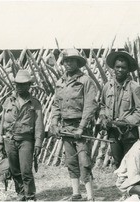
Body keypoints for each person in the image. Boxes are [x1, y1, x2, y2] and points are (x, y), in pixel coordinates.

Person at [50, 49, 98, 201]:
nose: (68, 63)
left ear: (78, 62)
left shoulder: (85, 81)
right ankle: (76, 193)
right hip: (66, 128)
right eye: (66, 61)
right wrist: (55, 124)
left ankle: (90, 197)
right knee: (71, 161)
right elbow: (56, 105)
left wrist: (82, 127)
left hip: (81, 128)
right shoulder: (60, 82)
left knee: (84, 162)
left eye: (72, 60)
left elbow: (90, 106)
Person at [0, 69, 45, 201]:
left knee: (26, 170)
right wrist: (0, 141)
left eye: (23, 84)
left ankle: (30, 195)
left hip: (26, 140)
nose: (20, 87)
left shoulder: (34, 103)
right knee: (15, 170)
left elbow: (39, 125)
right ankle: (21, 193)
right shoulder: (8, 101)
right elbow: (2, 122)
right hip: (10, 140)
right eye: (18, 84)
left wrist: (38, 143)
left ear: (29, 85)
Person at [99, 51, 140, 168]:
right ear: (113, 68)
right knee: (118, 163)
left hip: (128, 133)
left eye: (123, 67)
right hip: (113, 133)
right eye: (117, 67)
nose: (120, 70)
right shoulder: (107, 86)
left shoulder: (134, 88)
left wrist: (126, 122)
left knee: (130, 163)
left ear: (128, 70)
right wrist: (104, 118)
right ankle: (121, 186)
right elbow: (102, 105)